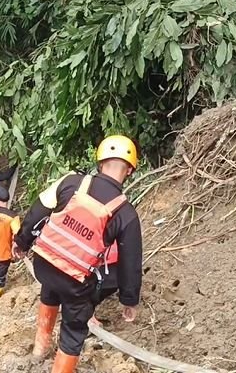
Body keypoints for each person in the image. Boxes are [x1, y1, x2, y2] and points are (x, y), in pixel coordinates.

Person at [13, 135, 143, 372]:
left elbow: (37, 211)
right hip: (76, 282)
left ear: (100, 162)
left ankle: (40, 349)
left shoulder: (71, 182)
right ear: (130, 171)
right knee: (73, 329)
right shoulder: (126, 213)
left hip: (45, 263)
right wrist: (129, 299)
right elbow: (130, 262)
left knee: (52, 287)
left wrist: (21, 242)